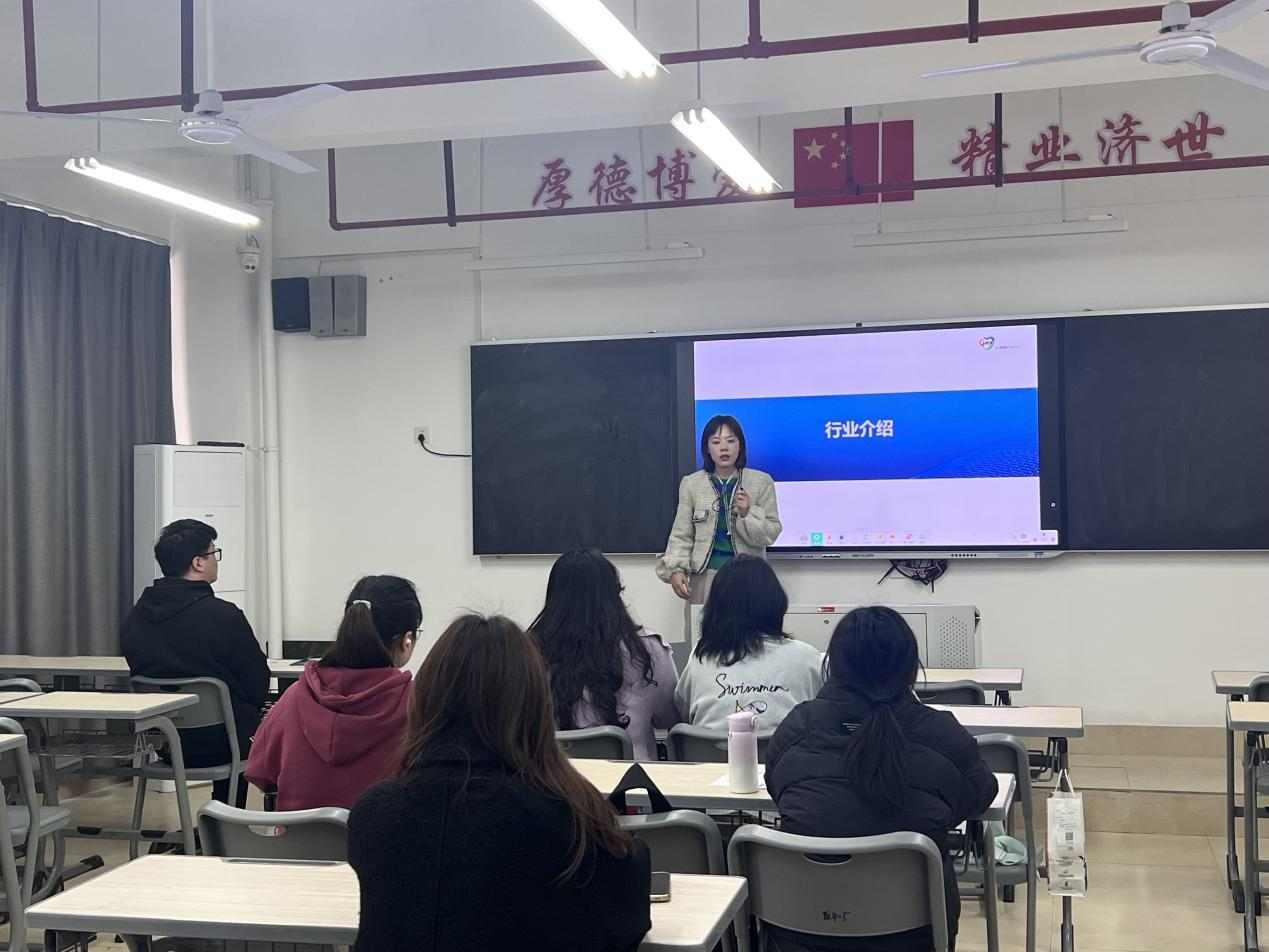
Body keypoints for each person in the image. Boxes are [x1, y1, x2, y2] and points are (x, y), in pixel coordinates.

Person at [348, 614, 651, 952]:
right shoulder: (562, 819)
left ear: (426, 699)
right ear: (533, 703)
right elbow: (626, 917)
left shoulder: (373, 814)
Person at [765, 607, 998, 952]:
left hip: (799, 934)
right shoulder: (942, 734)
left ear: (834, 665)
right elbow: (981, 795)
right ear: (910, 668)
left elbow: (777, 788)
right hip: (915, 937)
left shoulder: (798, 728)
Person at [121, 519, 268, 806]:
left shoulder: (135, 617)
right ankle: (228, 819)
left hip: (162, 741)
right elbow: (257, 683)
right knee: (248, 719)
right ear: (198, 562)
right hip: (225, 742)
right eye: (214, 553)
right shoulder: (225, 616)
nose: (216, 560)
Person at [245, 575, 420, 811]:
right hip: (383, 834)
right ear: (407, 640)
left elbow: (261, 773)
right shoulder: (418, 705)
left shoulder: (296, 695)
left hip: (298, 835)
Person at [530, 549, 679, 761]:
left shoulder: (528, 653)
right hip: (632, 780)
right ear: (614, 594)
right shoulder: (647, 650)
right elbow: (671, 721)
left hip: (553, 779)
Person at [674, 555, 822, 732]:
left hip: (710, 751)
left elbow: (682, 712)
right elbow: (824, 713)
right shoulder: (808, 657)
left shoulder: (701, 656)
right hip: (786, 749)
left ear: (716, 608)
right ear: (776, 602)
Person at [656, 414, 782, 603]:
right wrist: (676, 569)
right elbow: (681, 534)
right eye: (716, 442)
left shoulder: (761, 482)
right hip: (705, 576)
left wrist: (748, 513)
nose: (724, 448)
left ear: (740, 445)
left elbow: (770, 534)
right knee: (705, 623)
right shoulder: (691, 484)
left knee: (750, 622)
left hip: (750, 578)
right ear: (707, 448)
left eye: (730, 441)